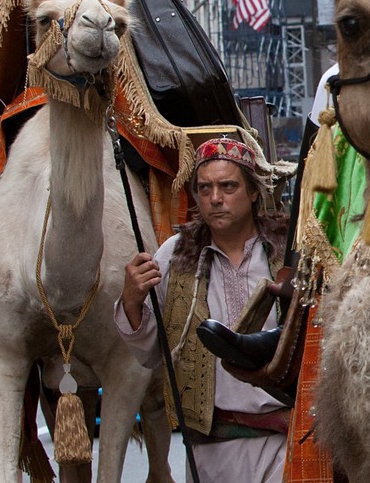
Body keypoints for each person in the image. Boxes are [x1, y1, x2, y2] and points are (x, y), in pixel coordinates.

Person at [117, 137, 289, 481]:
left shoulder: (287, 252)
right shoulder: (174, 255)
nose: (215, 198)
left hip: (284, 444)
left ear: (253, 192)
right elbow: (152, 354)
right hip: (211, 450)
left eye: (228, 186)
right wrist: (131, 301)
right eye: (205, 188)